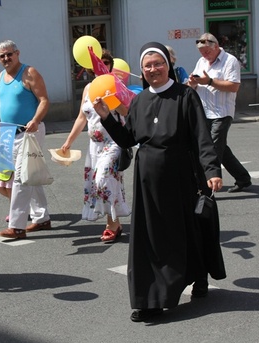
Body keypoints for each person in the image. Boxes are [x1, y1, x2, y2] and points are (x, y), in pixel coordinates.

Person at [93, 42, 226, 322]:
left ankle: (197, 275)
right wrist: (107, 117)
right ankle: (150, 300)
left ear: (167, 65)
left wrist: (212, 170)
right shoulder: (140, 101)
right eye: (148, 65)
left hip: (180, 177)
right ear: (142, 71)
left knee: (185, 231)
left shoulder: (185, 96)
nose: (153, 69)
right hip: (147, 182)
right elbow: (129, 140)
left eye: (158, 63)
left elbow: (202, 137)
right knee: (150, 239)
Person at [61, 49, 131, 242]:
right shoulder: (88, 88)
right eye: (99, 63)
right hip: (94, 146)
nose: (103, 66)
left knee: (103, 178)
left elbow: (126, 111)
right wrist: (68, 141)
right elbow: (81, 118)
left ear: (110, 65)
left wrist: (113, 100)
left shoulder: (115, 85)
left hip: (114, 142)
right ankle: (113, 224)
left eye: (106, 63)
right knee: (103, 183)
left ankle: (112, 223)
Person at [0, 40, 51, 239]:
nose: (6, 59)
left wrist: (35, 120)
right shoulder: (1, 76)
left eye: (9, 54)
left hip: (29, 132)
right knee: (29, 174)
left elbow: (44, 100)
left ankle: (17, 226)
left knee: (20, 178)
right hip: (7, 133)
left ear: (17, 53)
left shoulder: (29, 73)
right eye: (2, 56)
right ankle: (42, 218)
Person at [188, 33, 252, 193]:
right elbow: (196, 84)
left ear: (216, 46)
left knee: (213, 150)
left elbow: (234, 86)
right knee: (221, 150)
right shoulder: (201, 62)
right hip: (204, 112)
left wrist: (209, 81)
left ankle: (206, 186)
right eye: (202, 52)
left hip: (222, 112)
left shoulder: (229, 60)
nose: (204, 55)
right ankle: (243, 178)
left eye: (207, 51)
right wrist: (192, 83)